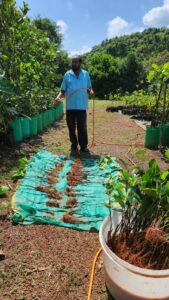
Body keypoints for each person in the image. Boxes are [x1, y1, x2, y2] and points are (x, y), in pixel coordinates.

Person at [54, 55, 94, 154]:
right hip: (70, 107)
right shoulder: (67, 74)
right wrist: (58, 97)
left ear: (80, 63)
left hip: (81, 106)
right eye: (72, 62)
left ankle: (83, 146)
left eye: (75, 62)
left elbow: (89, 87)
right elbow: (63, 90)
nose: (73, 64)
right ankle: (74, 145)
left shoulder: (86, 74)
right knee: (71, 127)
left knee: (82, 127)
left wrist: (91, 92)